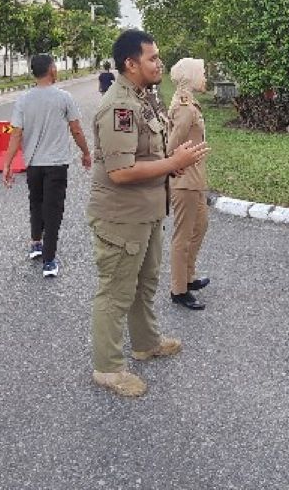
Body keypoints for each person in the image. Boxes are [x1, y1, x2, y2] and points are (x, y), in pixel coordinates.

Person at [87, 30, 209, 398]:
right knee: (115, 292)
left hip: (146, 211)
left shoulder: (144, 98)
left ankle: (145, 342)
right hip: (121, 216)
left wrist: (169, 164)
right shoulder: (119, 108)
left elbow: (146, 155)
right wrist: (173, 162)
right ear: (131, 64)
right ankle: (107, 368)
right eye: (153, 59)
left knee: (145, 283)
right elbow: (120, 172)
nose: (159, 64)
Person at [4, 54, 92, 278]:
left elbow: (16, 134)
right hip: (56, 164)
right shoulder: (64, 98)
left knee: (36, 202)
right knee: (53, 210)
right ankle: (49, 259)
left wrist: (7, 164)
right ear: (52, 69)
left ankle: (36, 244)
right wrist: (86, 152)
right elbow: (76, 129)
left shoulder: (24, 99)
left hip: (33, 164)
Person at [167, 57, 211, 310]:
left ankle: (188, 277)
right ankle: (178, 289)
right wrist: (171, 166)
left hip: (195, 178)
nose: (205, 76)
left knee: (201, 226)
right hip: (185, 180)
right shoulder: (185, 107)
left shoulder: (190, 102)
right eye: (202, 72)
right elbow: (171, 145)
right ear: (191, 75)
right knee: (183, 236)